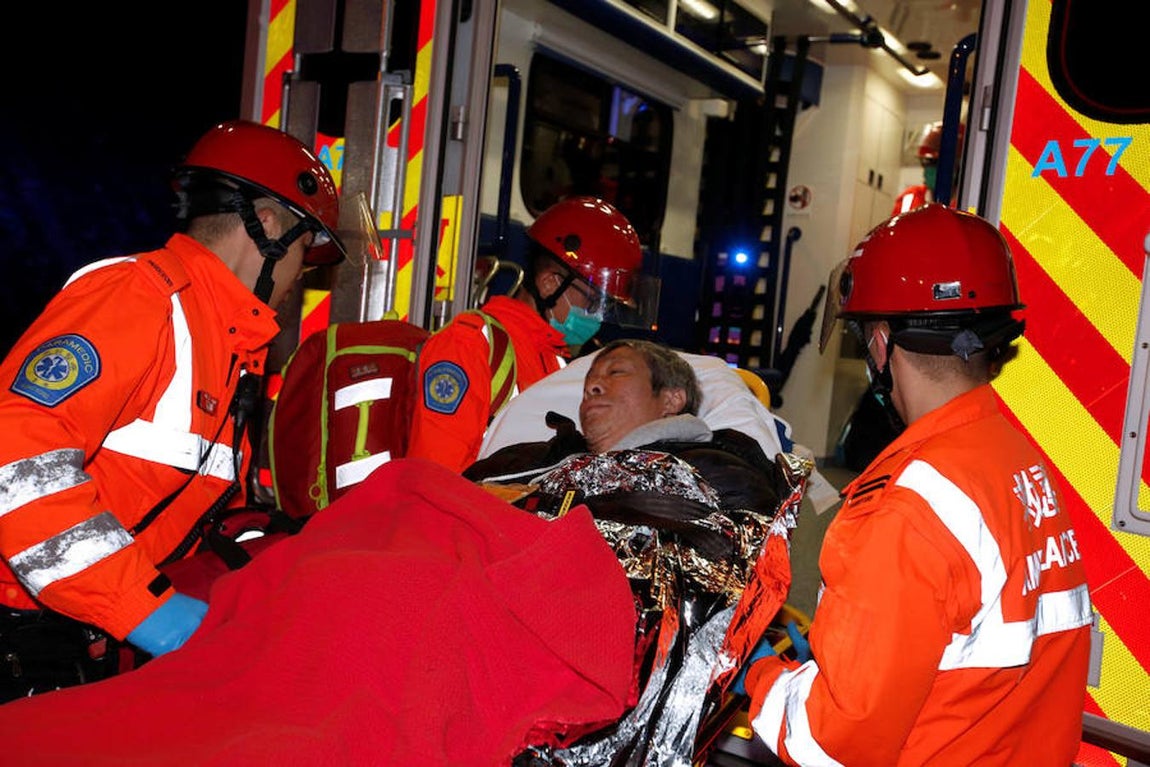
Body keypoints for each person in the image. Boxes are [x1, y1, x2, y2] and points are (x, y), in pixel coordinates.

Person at [737, 203, 1093, 765]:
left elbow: (828, 745)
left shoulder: (906, 507)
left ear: (882, 342)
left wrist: (754, 673)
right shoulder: (1017, 462)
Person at [0, 120, 345, 696]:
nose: (300, 277)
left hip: (83, 636)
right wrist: (148, 612)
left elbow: (208, 512)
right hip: (20, 633)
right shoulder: (139, 298)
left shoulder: (231, 348)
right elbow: (14, 461)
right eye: (306, 252)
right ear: (268, 226)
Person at [468, 339, 804, 766]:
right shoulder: (531, 460)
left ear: (671, 400)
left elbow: (720, 560)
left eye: (616, 373)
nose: (592, 388)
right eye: (589, 382)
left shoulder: (719, 467)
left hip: (580, 633)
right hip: (488, 594)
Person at [406, 196, 657, 473]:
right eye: (593, 301)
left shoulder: (558, 361)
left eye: (606, 305)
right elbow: (435, 475)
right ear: (550, 284)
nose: (597, 317)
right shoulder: (470, 344)